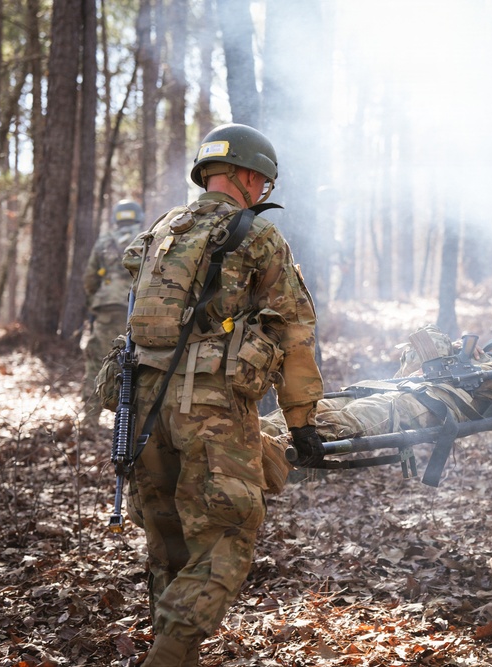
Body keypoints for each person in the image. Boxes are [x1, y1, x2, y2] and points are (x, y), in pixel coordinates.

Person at [119, 123, 325, 666]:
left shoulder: (162, 230)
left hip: (142, 403)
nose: (262, 194)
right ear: (248, 175)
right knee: (226, 536)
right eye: (262, 183)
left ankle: (173, 650)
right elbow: (295, 331)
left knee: (169, 544)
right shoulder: (254, 235)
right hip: (208, 408)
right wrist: (301, 423)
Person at [259, 325, 492, 446]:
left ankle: (269, 448)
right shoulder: (461, 355)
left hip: (422, 405)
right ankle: (247, 435)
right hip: (390, 387)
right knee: (316, 408)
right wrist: (450, 345)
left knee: (343, 420)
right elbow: (413, 354)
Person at [80, 199, 143, 428]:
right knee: (139, 363)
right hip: (136, 308)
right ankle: (133, 423)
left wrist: (94, 303)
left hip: (106, 307)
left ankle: (89, 419)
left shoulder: (104, 240)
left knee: (96, 362)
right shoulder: (147, 236)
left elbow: (90, 278)